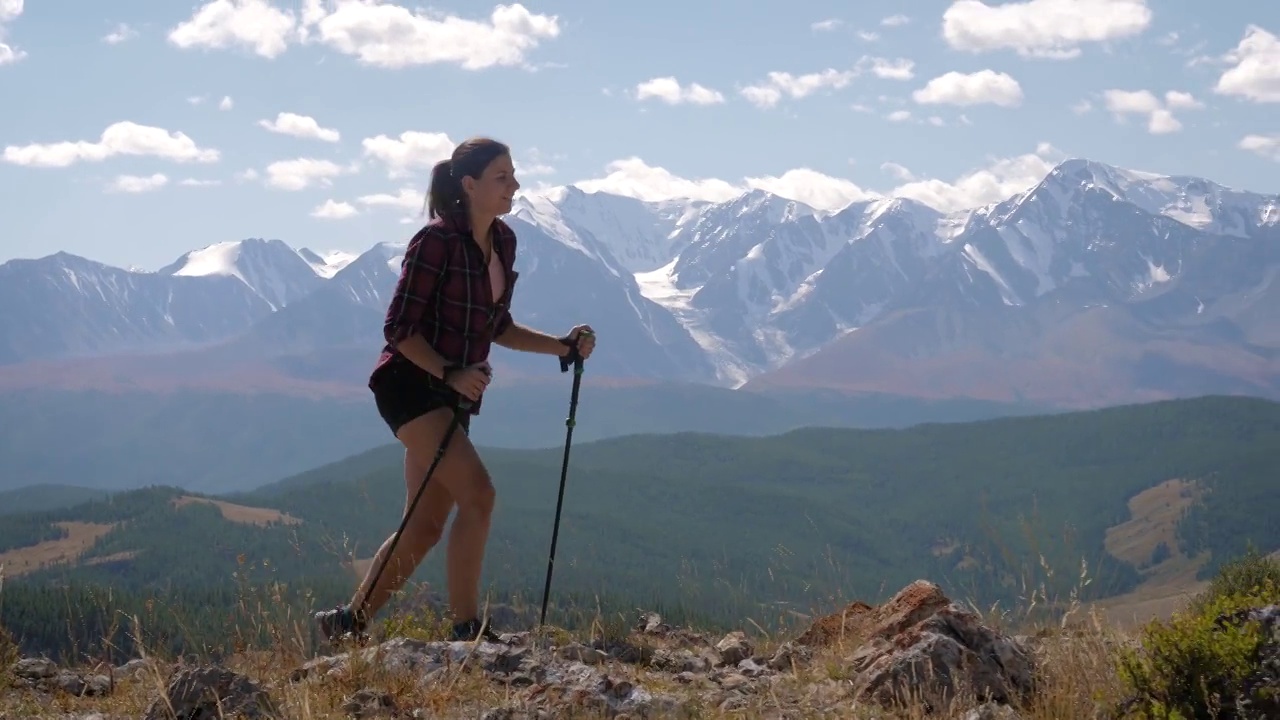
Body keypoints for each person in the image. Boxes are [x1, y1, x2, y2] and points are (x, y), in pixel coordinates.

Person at [314, 136, 597, 644]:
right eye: (502, 177)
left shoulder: (503, 243)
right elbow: (399, 329)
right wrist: (449, 372)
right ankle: (467, 631)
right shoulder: (435, 242)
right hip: (409, 385)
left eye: (513, 175)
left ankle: (347, 624)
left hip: (451, 394)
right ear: (469, 185)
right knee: (480, 496)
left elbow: (498, 326)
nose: (515, 185)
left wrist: (563, 348)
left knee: (423, 525)